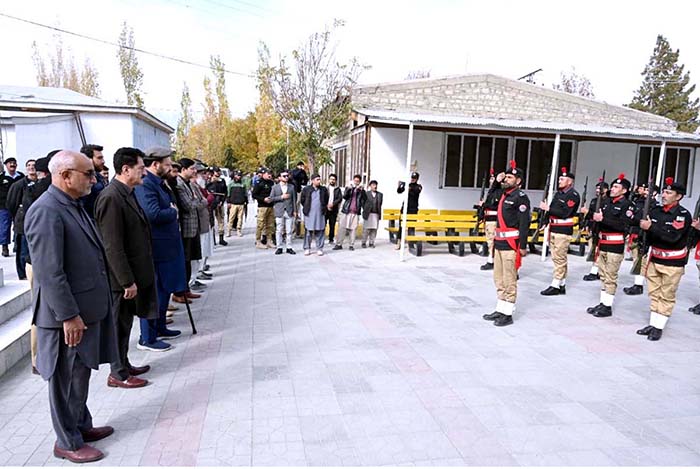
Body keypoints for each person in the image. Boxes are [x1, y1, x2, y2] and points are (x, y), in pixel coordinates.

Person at [25, 150, 118, 464]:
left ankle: (80, 426)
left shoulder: (71, 204)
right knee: (65, 381)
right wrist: (68, 315)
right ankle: (67, 442)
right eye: (87, 174)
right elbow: (50, 273)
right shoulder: (46, 211)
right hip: (64, 317)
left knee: (80, 375)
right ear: (65, 175)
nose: (94, 179)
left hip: (83, 311)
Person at [94, 147, 158, 387]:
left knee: (126, 323)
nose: (144, 173)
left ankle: (124, 362)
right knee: (118, 325)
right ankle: (117, 374)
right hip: (119, 280)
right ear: (125, 169)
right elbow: (112, 245)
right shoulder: (111, 197)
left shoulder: (127, 192)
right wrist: (125, 281)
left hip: (132, 275)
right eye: (141, 169)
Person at [135, 147, 189, 351]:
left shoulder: (161, 182)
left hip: (167, 247)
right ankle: (147, 337)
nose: (170, 167)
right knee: (154, 292)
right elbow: (152, 214)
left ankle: (160, 326)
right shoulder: (146, 184)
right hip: (156, 248)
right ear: (155, 164)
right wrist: (172, 212)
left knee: (164, 289)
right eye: (167, 164)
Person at [636, 177, 692, 341]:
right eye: (663, 192)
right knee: (654, 293)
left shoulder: (682, 215)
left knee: (666, 295)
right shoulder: (655, 211)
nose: (664, 195)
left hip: (672, 263)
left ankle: (659, 327)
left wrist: (651, 227)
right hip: (655, 258)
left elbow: (672, 238)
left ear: (678, 196)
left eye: (669, 192)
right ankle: (653, 323)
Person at [482, 161, 530, 327]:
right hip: (499, 243)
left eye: (510, 177)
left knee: (509, 279)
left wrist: (523, 246)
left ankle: (508, 313)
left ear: (518, 181)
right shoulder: (503, 194)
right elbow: (488, 201)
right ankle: (500, 308)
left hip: (511, 244)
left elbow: (525, 223)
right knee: (499, 279)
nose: (507, 179)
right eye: (506, 176)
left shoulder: (521, 198)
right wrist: (496, 181)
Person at [585, 174, 634, 318]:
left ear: (624, 190)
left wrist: (603, 219)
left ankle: (607, 306)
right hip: (602, 242)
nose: (612, 189)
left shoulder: (627, 205)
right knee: (603, 275)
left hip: (615, 244)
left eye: (616, 187)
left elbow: (624, 225)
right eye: (612, 186)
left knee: (611, 275)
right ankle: (602, 302)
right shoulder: (606, 202)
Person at [26, 152, 56, 375]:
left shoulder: (35, 189)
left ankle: (39, 359)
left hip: (34, 259)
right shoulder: (43, 194)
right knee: (40, 311)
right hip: (38, 261)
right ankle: (38, 359)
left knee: (40, 312)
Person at [540, 167, 580, 296]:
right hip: (554, 228)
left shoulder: (572, 195)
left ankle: (555, 285)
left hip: (563, 230)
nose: (559, 181)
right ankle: (562, 284)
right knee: (557, 257)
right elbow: (551, 210)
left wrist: (547, 208)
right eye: (559, 179)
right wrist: (545, 221)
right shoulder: (559, 193)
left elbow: (565, 213)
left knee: (559, 259)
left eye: (562, 179)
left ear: (570, 182)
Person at [175, 158, 208, 292]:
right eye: (192, 169)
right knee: (186, 259)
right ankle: (184, 288)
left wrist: (199, 202)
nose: (195, 171)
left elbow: (203, 200)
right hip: (186, 228)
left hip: (195, 226)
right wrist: (199, 202)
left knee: (193, 258)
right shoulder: (179, 184)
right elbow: (189, 205)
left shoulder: (190, 183)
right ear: (183, 170)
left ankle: (187, 288)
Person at [623, 182, 658, 295]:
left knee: (641, 260)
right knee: (635, 258)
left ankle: (639, 284)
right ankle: (637, 282)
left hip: (644, 235)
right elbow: (631, 217)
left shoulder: (655, 207)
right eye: (645, 190)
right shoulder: (638, 202)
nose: (645, 192)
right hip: (635, 232)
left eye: (649, 190)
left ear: (654, 193)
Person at [6, 159, 37, 279]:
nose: (31, 167)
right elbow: (11, 203)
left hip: (36, 222)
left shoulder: (41, 184)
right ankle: (23, 274)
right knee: (23, 250)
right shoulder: (18, 185)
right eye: (28, 165)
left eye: (33, 165)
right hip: (22, 223)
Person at [582, 180, 610, 281]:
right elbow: (589, 216)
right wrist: (586, 224)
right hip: (593, 227)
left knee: (600, 251)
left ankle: (596, 271)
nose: (597, 190)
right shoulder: (594, 200)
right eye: (597, 188)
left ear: (606, 190)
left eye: (600, 188)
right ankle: (595, 270)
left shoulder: (608, 201)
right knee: (593, 249)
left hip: (602, 228)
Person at [0, 157, 25, 257]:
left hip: (18, 205)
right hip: (4, 206)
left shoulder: (21, 177)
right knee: (4, 226)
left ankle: (17, 244)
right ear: (6, 165)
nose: (12, 165)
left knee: (18, 225)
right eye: (10, 163)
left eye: (14, 163)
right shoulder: (1, 178)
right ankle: (4, 246)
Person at [334, 174, 366, 251]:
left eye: (358, 181)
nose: (356, 182)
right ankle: (339, 244)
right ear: (353, 180)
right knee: (342, 228)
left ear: (360, 182)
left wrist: (361, 190)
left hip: (355, 212)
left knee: (353, 229)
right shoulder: (348, 188)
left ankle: (351, 245)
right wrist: (349, 189)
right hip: (346, 211)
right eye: (355, 181)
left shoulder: (361, 190)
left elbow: (365, 199)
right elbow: (344, 197)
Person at [270, 169, 297, 255]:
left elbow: (294, 200)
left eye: (287, 176)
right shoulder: (275, 187)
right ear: (279, 178)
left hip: (289, 210)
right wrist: (281, 197)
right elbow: (271, 198)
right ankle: (279, 247)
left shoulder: (291, 187)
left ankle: (289, 247)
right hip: (279, 210)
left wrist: (295, 210)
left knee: (289, 230)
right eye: (284, 176)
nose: (286, 177)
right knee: (279, 230)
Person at [300, 174, 328, 255]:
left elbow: (326, 199)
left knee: (320, 230)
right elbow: (302, 200)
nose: (319, 181)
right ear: (312, 180)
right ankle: (307, 248)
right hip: (309, 213)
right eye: (317, 179)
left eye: (319, 179)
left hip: (320, 213)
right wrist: (307, 207)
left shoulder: (323, 189)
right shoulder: (306, 189)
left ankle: (319, 248)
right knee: (308, 231)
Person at [478, 169, 500, 270]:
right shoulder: (491, 192)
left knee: (492, 242)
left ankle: (492, 261)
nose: (491, 180)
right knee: (489, 241)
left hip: (494, 220)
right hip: (488, 219)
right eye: (490, 179)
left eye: (493, 178)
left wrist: (484, 204)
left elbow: (494, 205)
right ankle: (491, 259)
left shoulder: (498, 192)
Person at [395, 171, 422, 249]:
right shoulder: (408, 185)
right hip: (405, 208)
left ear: (417, 179)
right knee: (401, 225)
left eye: (414, 178)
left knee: (411, 226)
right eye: (412, 178)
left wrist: (409, 189)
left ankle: (411, 242)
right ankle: (399, 242)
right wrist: (400, 186)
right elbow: (399, 191)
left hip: (413, 209)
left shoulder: (418, 186)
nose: (413, 179)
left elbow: (416, 192)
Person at [79, 144, 106, 220]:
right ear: (88, 159)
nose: (103, 161)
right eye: (99, 158)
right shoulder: (82, 181)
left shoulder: (100, 177)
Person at [251, 168, 275, 249]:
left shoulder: (272, 183)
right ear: (263, 174)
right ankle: (258, 241)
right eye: (268, 174)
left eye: (270, 174)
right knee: (260, 225)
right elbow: (254, 195)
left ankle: (269, 240)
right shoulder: (259, 182)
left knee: (270, 225)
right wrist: (263, 199)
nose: (270, 175)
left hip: (271, 206)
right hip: (262, 206)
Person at [206, 167, 228, 245]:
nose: (218, 173)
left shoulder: (222, 181)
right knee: (211, 221)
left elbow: (225, 191)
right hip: (211, 204)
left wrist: (222, 201)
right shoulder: (209, 181)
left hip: (220, 203)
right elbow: (205, 191)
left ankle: (221, 238)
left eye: (219, 171)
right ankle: (213, 239)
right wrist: (211, 182)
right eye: (216, 172)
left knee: (221, 221)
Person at [361, 180, 383, 248]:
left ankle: (371, 242)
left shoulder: (380, 194)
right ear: (370, 186)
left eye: (376, 185)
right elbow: (362, 202)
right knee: (366, 229)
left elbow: (380, 203)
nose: (375, 186)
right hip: (368, 213)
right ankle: (363, 242)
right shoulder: (366, 193)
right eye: (373, 185)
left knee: (374, 229)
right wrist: (365, 209)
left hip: (376, 213)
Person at [227, 170, 247, 237]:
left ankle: (239, 230)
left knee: (240, 218)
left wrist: (246, 201)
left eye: (240, 175)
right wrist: (228, 202)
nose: (239, 177)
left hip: (241, 203)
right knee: (231, 218)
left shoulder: (243, 184)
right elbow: (228, 193)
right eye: (238, 175)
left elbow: (245, 193)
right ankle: (229, 230)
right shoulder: (231, 183)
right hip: (233, 203)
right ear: (235, 176)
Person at [326, 173, 343, 244]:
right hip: (325, 209)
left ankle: (331, 239)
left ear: (335, 181)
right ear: (329, 180)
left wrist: (333, 204)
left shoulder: (338, 189)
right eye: (331, 179)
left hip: (334, 209)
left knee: (332, 225)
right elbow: (322, 198)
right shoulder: (325, 188)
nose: (332, 181)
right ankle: (320, 238)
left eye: (334, 179)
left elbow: (339, 198)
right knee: (322, 224)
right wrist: (326, 205)